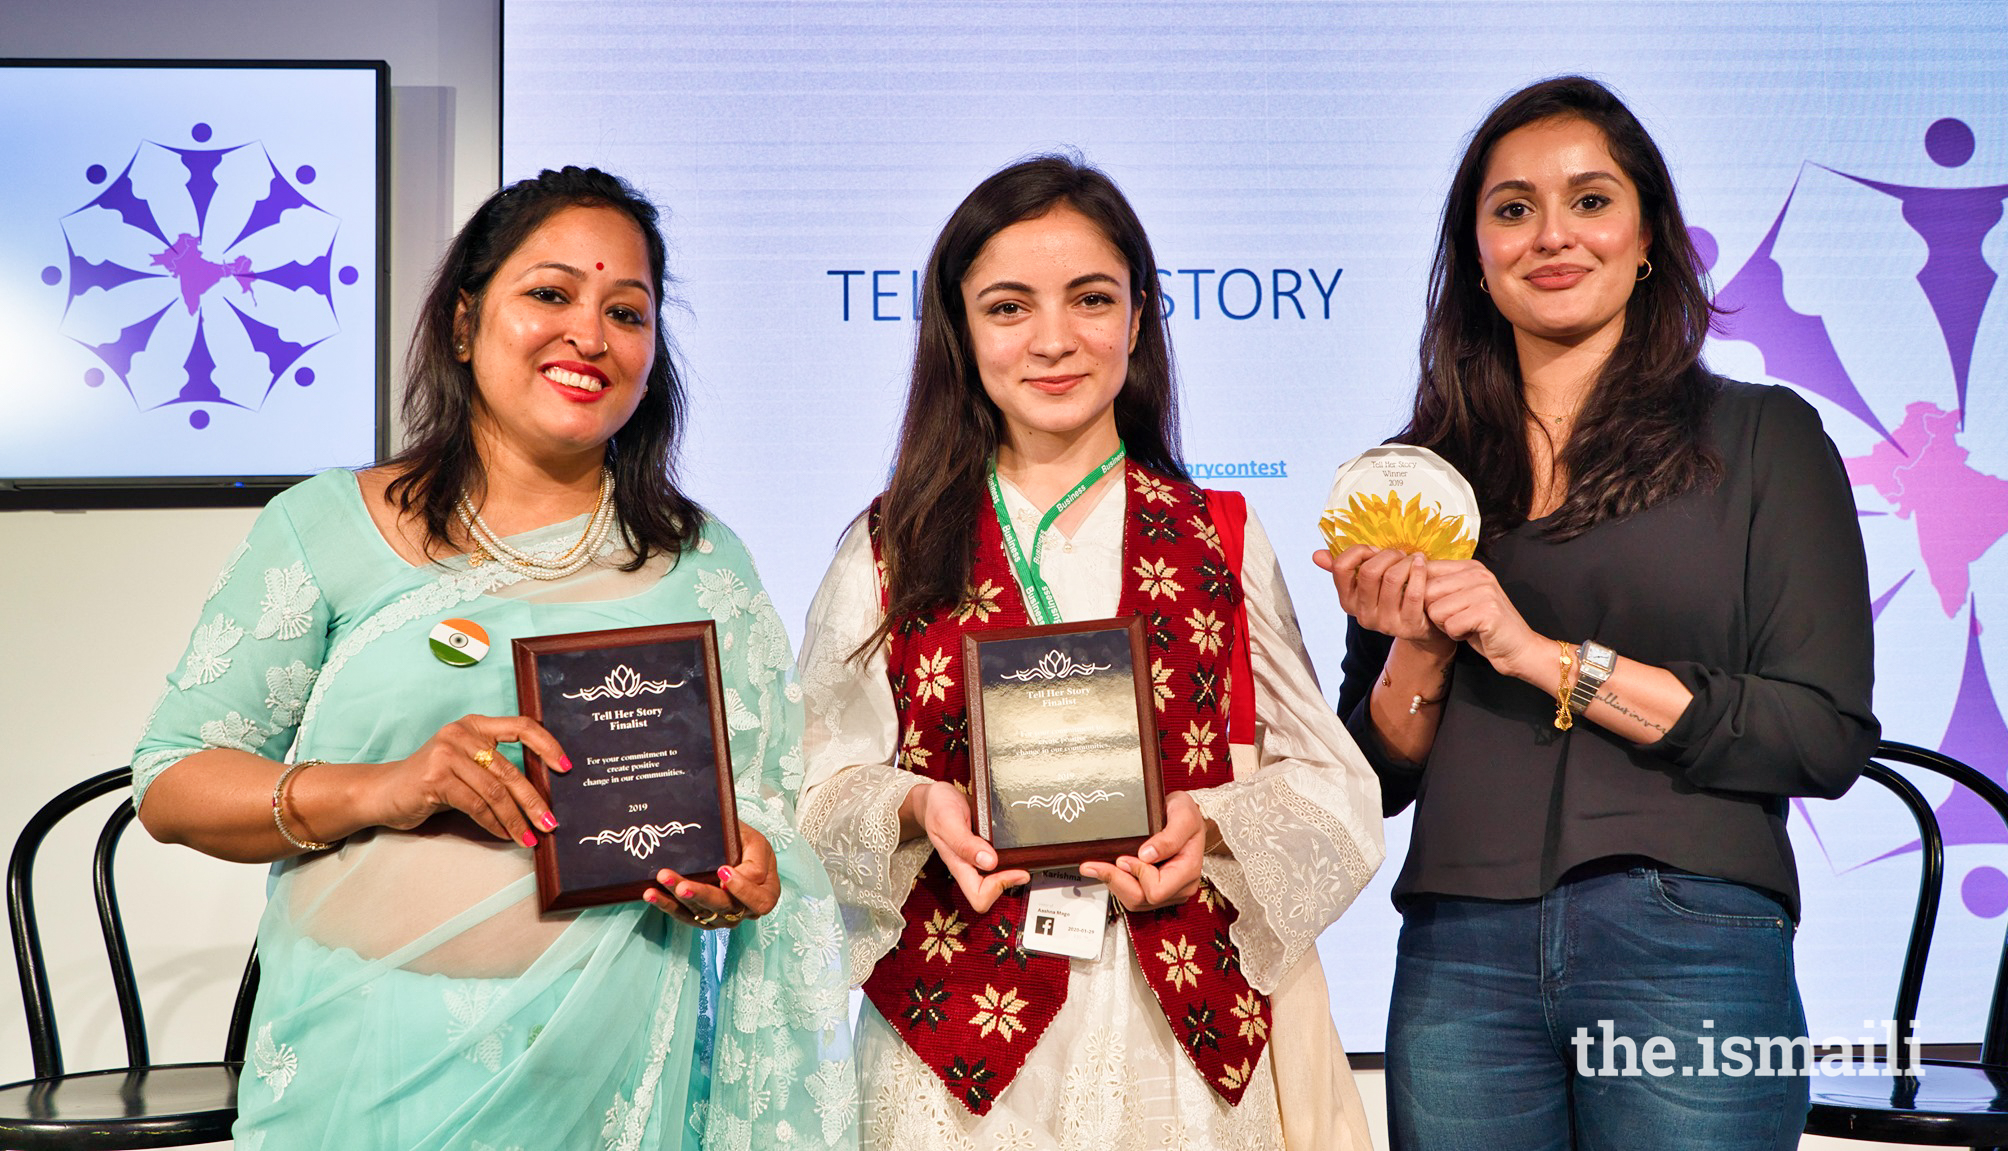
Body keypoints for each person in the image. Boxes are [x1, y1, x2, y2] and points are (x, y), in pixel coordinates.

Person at [133, 166, 856, 1151]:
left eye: (627, 311)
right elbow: (172, 780)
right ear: (466, 323)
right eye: (550, 293)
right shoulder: (327, 530)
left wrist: (752, 871)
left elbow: (759, 804)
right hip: (364, 1074)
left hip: (606, 1087)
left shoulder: (700, 563)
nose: (590, 336)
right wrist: (385, 786)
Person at [1319, 76, 1878, 1150]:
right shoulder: (1420, 475)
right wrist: (1417, 647)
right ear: (1475, 256)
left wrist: (1537, 655)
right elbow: (1377, 774)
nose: (1551, 236)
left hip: (1692, 927)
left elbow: (1819, 732)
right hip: (1459, 941)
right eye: (1512, 208)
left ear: (1649, 238)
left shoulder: (1760, 436)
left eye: (1589, 200)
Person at [796, 154, 1385, 1151]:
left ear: (1140, 316)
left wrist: (1213, 820)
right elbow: (808, 783)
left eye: (1090, 298)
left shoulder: (1219, 535)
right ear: (960, 328)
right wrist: (915, 803)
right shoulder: (889, 543)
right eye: (1009, 307)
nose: (1054, 339)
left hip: (1175, 1035)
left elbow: (1331, 785)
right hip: (956, 1045)